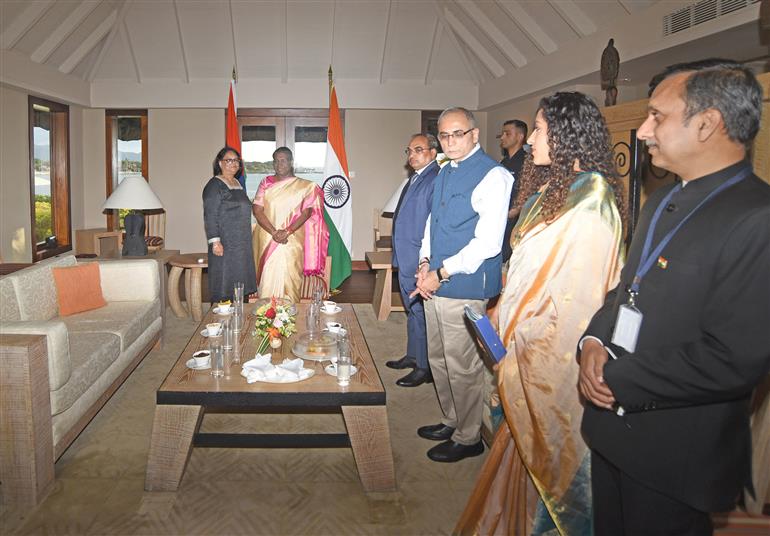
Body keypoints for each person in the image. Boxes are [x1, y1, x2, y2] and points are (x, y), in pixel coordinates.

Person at [579, 59, 770, 535]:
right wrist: (591, 343)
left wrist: (619, 376)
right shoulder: (664, 198)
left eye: (657, 116)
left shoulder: (757, 218)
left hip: (674, 453)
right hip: (612, 431)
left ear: (708, 123)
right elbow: (628, 288)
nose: (643, 131)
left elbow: (735, 358)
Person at [456, 92, 626, 535]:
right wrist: (499, 312)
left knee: (555, 464)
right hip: (515, 338)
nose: (530, 141)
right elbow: (525, 268)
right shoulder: (552, 192)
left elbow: (578, 300)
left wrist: (523, 339)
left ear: (569, 134)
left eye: (539, 130)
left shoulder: (593, 201)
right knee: (517, 455)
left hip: (551, 357)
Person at [411, 107, 513, 463]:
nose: (450, 141)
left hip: (464, 285)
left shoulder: (493, 176)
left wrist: (440, 273)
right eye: (444, 135)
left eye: (458, 134)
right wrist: (425, 263)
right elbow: (431, 223)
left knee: (463, 365)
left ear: (474, 135)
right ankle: (452, 420)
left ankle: (469, 436)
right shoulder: (443, 171)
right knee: (439, 359)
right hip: (435, 280)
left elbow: (487, 244)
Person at [386, 133, 440, 387]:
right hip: (405, 254)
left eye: (418, 150)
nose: (412, 155)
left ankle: (424, 367)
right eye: (409, 150)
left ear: (433, 151)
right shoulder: (416, 177)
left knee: (420, 311)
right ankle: (413, 354)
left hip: (419, 259)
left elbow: (432, 225)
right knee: (412, 311)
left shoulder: (436, 178)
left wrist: (424, 261)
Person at [252, 147, 328, 303]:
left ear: (291, 162)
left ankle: (290, 317)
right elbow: (257, 210)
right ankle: (265, 317)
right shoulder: (266, 183)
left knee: (291, 277)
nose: (279, 164)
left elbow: (306, 213)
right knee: (267, 278)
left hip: (292, 239)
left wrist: (286, 232)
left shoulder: (307, 186)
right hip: (267, 238)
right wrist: (274, 233)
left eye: (283, 160)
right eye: (276, 161)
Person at [202, 147, 258, 302]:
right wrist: (215, 242)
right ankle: (220, 318)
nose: (233, 163)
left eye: (236, 160)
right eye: (229, 160)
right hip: (225, 243)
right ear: (220, 163)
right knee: (224, 281)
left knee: (241, 280)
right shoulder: (214, 185)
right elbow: (210, 215)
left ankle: (240, 315)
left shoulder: (237, 184)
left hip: (242, 243)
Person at [498, 119, 528, 264]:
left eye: (507, 133)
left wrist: (512, 212)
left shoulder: (528, 162)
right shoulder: (503, 163)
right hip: (501, 217)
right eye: (502, 133)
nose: (502, 137)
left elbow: (529, 192)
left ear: (520, 136)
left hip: (515, 221)